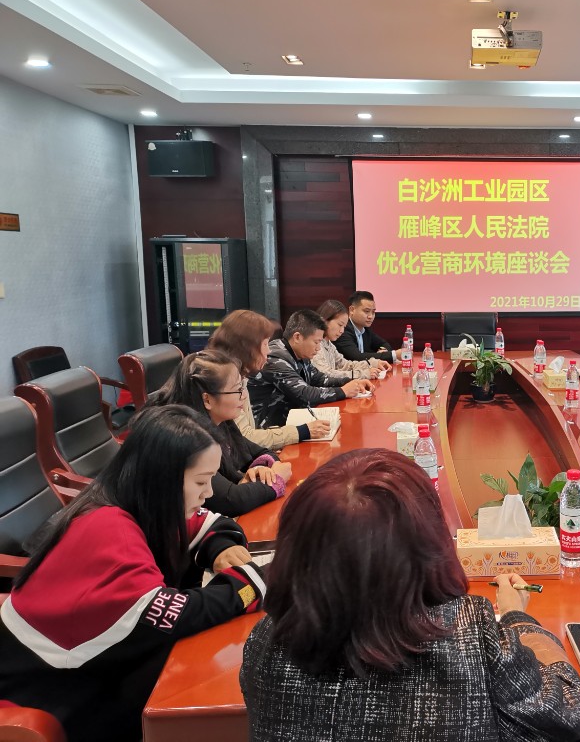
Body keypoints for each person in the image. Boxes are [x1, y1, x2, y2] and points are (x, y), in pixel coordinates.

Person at [240, 448, 580, 741]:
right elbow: (568, 713)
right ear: (428, 542)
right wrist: (518, 620)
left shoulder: (265, 642)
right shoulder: (472, 631)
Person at [0, 405, 266, 742]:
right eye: (201, 481)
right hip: (48, 686)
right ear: (162, 478)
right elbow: (173, 615)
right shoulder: (109, 530)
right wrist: (249, 585)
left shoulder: (134, 500)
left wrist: (219, 548)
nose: (208, 493)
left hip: (76, 665)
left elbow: (208, 523)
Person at [150, 350, 292, 516]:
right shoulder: (186, 437)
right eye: (238, 390)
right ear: (207, 399)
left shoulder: (220, 421)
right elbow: (230, 501)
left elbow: (261, 452)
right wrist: (275, 481)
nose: (244, 396)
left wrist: (262, 470)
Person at [207, 309, 332, 447]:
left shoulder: (239, 374)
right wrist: (301, 432)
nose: (269, 350)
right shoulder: (224, 380)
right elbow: (245, 438)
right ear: (247, 347)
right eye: (265, 344)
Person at [248, 309, 375, 429]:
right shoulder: (275, 358)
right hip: (271, 430)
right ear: (297, 337)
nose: (318, 348)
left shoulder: (300, 354)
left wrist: (352, 382)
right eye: (316, 342)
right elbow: (304, 394)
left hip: (292, 423)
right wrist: (343, 391)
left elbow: (320, 379)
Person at [313, 298, 392, 380]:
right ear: (325, 320)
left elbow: (344, 365)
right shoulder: (315, 344)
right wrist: (362, 374)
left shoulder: (328, 343)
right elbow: (325, 374)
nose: (342, 331)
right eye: (340, 325)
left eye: (344, 327)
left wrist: (372, 363)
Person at [335, 290, 397, 363]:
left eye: (373, 312)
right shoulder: (343, 330)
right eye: (366, 311)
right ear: (352, 310)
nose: (370, 316)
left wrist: (384, 351)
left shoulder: (365, 330)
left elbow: (384, 344)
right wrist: (394, 354)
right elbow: (357, 357)